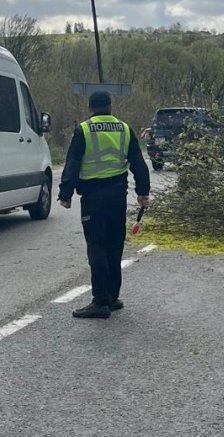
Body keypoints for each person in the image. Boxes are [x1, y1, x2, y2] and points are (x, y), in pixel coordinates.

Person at [58, 91, 151, 319]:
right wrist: (143, 193)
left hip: (93, 197)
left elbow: (73, 162)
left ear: (90, 108)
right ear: (110, 106)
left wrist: (65, 193)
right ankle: (112, 296)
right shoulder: (124, 128)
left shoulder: (84, 129)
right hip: (117, 195)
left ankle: (100, 301)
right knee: (114, 245)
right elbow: (139, 163)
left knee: (96, 246)